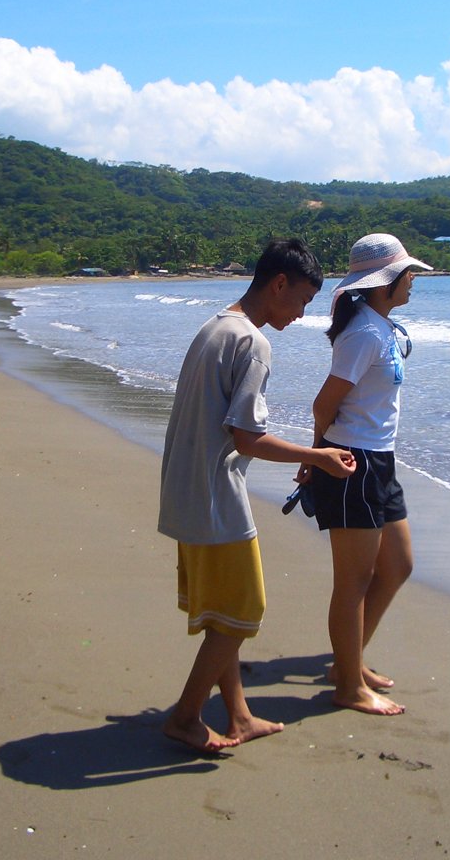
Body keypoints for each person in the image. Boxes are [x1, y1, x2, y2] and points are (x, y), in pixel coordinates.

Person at [158, 237, 358, 753]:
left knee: (223, 612)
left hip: (184, 489)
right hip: (215, 495)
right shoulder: (252, 342)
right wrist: (316, 457)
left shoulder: (214, 326)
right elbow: (246, 437)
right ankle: (185, 717)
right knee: (244, 612)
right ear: (279, 284)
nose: (301, 314)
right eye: (302, 302)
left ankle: (240, 715)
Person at [304, 233, 432, 716]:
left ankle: (347, 664)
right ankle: (348, 685)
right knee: (354, 582)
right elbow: (323, 405)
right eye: (408, 273)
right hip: (352, 462)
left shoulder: (383, 326)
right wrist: (315, 458)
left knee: (397, 565)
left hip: (380, 460)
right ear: (387, 282)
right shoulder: (363, 333)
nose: (414, 280)